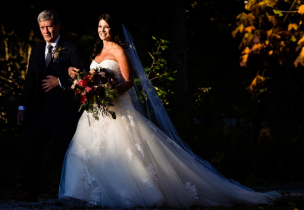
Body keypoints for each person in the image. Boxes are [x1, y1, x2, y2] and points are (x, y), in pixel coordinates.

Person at [59, 14, 281, 208]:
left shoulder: (119, 50)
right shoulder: (97, 50)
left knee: (127, 151)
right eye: (99, 27)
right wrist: (84, 83)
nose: (102, 31)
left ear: (113, 29)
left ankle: (133, 193)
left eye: (106, 27)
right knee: (89, 150)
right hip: (97, 111)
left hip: (117, 106)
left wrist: (108, 91)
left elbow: (128, 82)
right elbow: (92, 78)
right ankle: (86, 193)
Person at [16, 10, 86, 202]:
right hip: (38, 112)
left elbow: (85, 75)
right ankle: (29, 191)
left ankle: (70, 193)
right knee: (30, 149)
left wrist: (61, 81)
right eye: (42, 28)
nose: (45, 31)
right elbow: (30, 80)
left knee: (67, 154)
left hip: (63, 114)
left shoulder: (71, 47)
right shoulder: (37, 49)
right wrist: (22, 107)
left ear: (57, 26)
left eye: (48, 26)